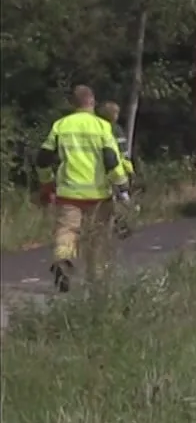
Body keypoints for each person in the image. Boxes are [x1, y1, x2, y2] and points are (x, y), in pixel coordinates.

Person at [35, 85, 127, 293]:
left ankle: (63, 261)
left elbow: (42, 159)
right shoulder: (102, 127)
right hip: (99, 195)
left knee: (66, 231)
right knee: (98, 235)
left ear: (72, 104)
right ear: (92, 102)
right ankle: (96, 279)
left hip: (68, 193)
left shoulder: (61, 126)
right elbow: (111, 160)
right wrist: (121, 186)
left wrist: (46, 183)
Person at [97, 101, 136, 238]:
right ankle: (122, 225)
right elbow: (123, 153)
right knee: (123, 199)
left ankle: (105, 227)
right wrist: (129, 170)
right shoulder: (115, 129)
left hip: (98, 171)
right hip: (116, 170)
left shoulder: (96, 128)